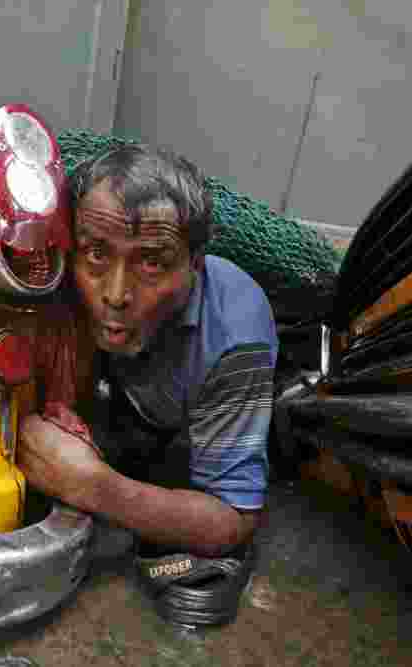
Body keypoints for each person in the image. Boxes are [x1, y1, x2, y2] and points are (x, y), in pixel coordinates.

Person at [17, 144, 277, 606]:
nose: (116, 294)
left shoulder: (235, 335)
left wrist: (91, 484)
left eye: (152, 262)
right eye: (96, 253)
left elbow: (233, 519)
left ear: (195, 264)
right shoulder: (48, 272)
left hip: (176, 422)